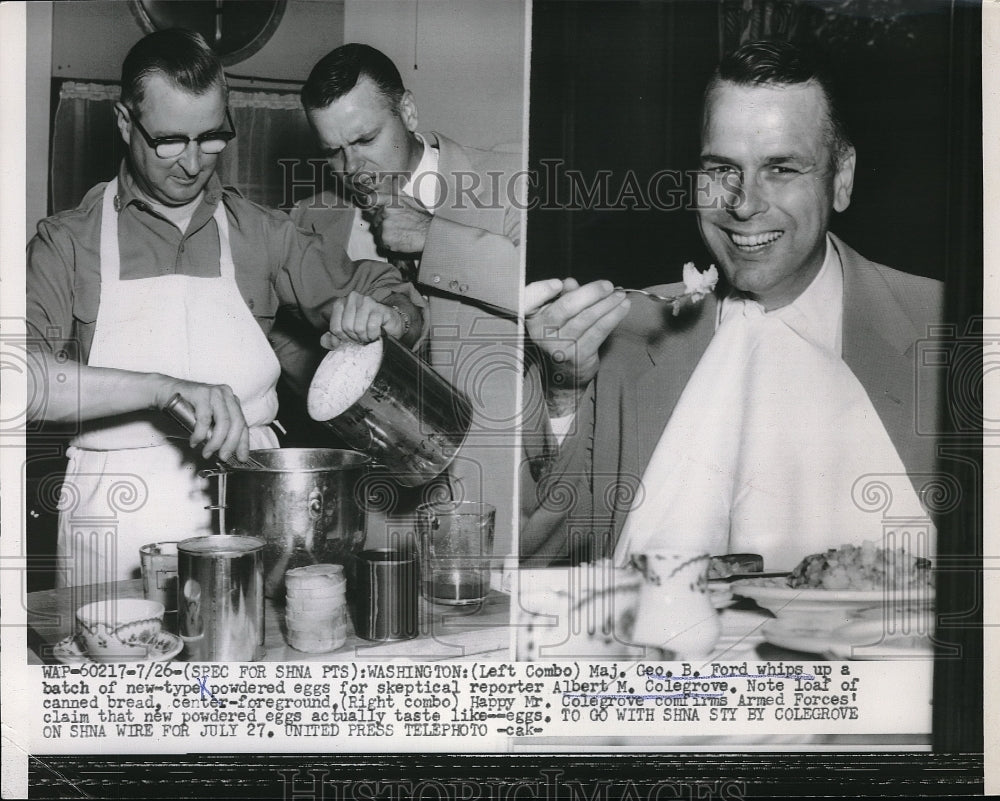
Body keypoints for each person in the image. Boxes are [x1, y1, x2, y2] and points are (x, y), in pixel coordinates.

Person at [522, 40, 942, 569]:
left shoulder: (947, 326)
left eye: (782, 169)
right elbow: (543, 559)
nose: (743, 203)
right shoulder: (628, 335)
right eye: (722, 169)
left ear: (842, 178)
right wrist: (564, 391)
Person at [26, 29, 423, 587]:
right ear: (123, 123)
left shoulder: (261, 232)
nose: (192, 163)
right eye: (169, 140)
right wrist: (163, 389)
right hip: (110, 519)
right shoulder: (68, 241)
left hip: (249, 510)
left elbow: (389, 292)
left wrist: (386, 316)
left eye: (212, 137)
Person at [283, 43, 524, 553]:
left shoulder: (510, 179)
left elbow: (556, 292)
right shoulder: (309, 222)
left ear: (408, 111)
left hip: (504, 489)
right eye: (332, 150)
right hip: (382, 514)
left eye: (366, 138)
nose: (351, 166)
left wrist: (434, 239)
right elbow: (279, 334)